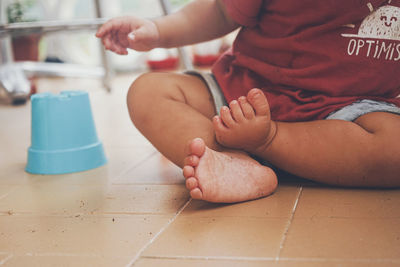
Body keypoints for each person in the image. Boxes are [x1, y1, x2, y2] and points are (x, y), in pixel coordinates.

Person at [96, 0, 400, 203]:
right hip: (242, 97)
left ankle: (269, 144)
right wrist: (159, 31)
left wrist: (269, 136)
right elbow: (221, 11)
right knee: (147, 92)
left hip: (349, 111)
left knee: (394, 147)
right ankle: (234, 163)